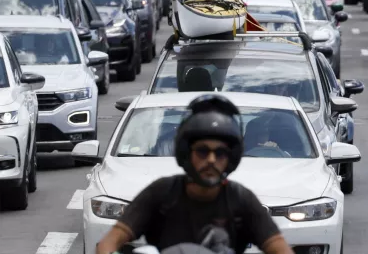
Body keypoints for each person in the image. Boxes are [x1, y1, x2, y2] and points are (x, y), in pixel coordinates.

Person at [96, 94, 294, 254]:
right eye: (202, 151)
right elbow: (108, 243)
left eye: (220, 153)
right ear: (186, 154)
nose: (211, 159)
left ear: (230, 158)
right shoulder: (162, 193)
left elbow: (280, 248)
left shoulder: (241, 199)